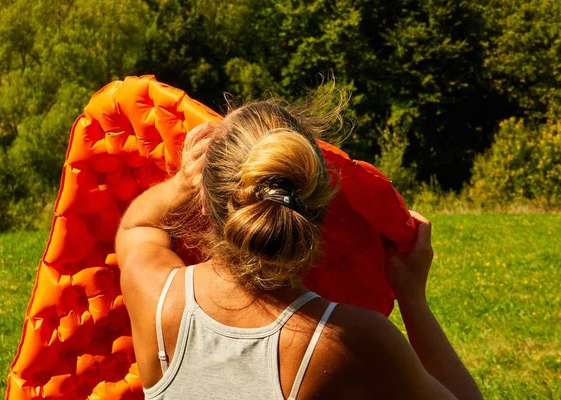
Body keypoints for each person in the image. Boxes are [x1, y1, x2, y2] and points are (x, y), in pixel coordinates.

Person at [115, 95, 483, 399]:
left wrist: (180, 184)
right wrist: (413, 300)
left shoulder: (156, 296)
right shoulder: (348, 340)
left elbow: (137, 226)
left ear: (206, 201)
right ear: (320, 212)